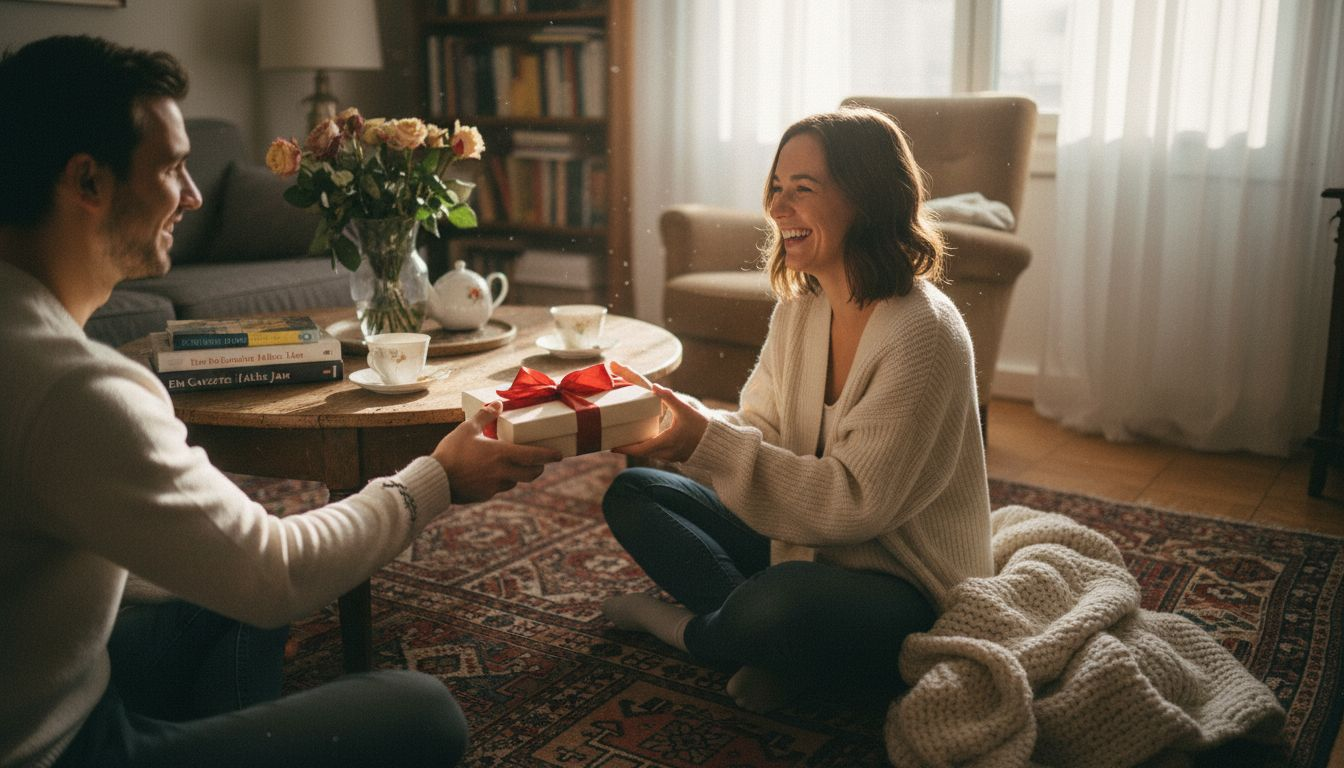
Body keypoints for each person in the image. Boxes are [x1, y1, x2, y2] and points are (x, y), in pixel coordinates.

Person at [0, 35, 561, 768]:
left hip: (46, 677)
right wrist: (438, 478)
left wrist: (234, 559)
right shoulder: (75, 387)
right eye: (172, 168)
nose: (193, 195)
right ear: (86, 180)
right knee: (421, 712)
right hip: (54, 746)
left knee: (221, 587)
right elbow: (276, 577)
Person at [601, 106, 993, 712]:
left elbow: (854, 505)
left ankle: (696, 633)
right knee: (635, 492)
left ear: (867, 198)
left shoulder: (924, 332)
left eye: (802, 190)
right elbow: (760, 431)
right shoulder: (801, 308)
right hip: (802, 547)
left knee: (780, 604)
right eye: (776, 189)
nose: (778, 209)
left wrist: (704, 441)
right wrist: (673, 421)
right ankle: (772, 646)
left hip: (904, 581)